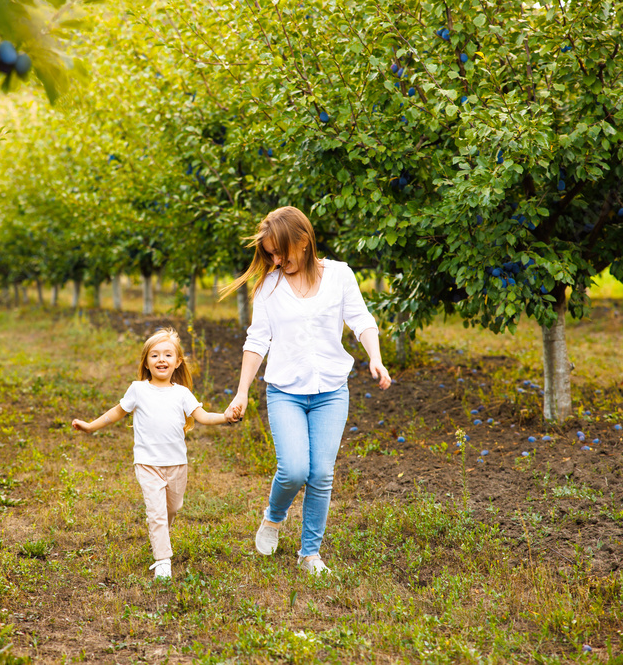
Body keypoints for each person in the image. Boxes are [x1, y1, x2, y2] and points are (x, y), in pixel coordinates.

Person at [221, 206, 392, 575]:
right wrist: (241, 392)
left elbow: (361, 319)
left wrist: (374, 358)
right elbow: (257, 339)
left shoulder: (340, 275)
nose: (276, 259)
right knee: (294, 469)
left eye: (280, 251)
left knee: (321, 475)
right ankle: (274, 516)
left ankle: (309, 553)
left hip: (331, 390)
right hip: (285, 391)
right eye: (269, 253)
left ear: (303, 240)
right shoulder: (269, 285)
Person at [72, 328, 230, 580]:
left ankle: (160, 539)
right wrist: (90, 426)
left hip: (177, 464)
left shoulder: (182, 393)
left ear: (178, 362)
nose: (161, 360)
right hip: (147, 464)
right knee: (156, 513)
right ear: (146, 362)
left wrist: (226, 417)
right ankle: (163, 560)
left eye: (168, 355)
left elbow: (203, 417)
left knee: (172, 508)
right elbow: (115, 412)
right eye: (155, 355)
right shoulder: (138, 389)